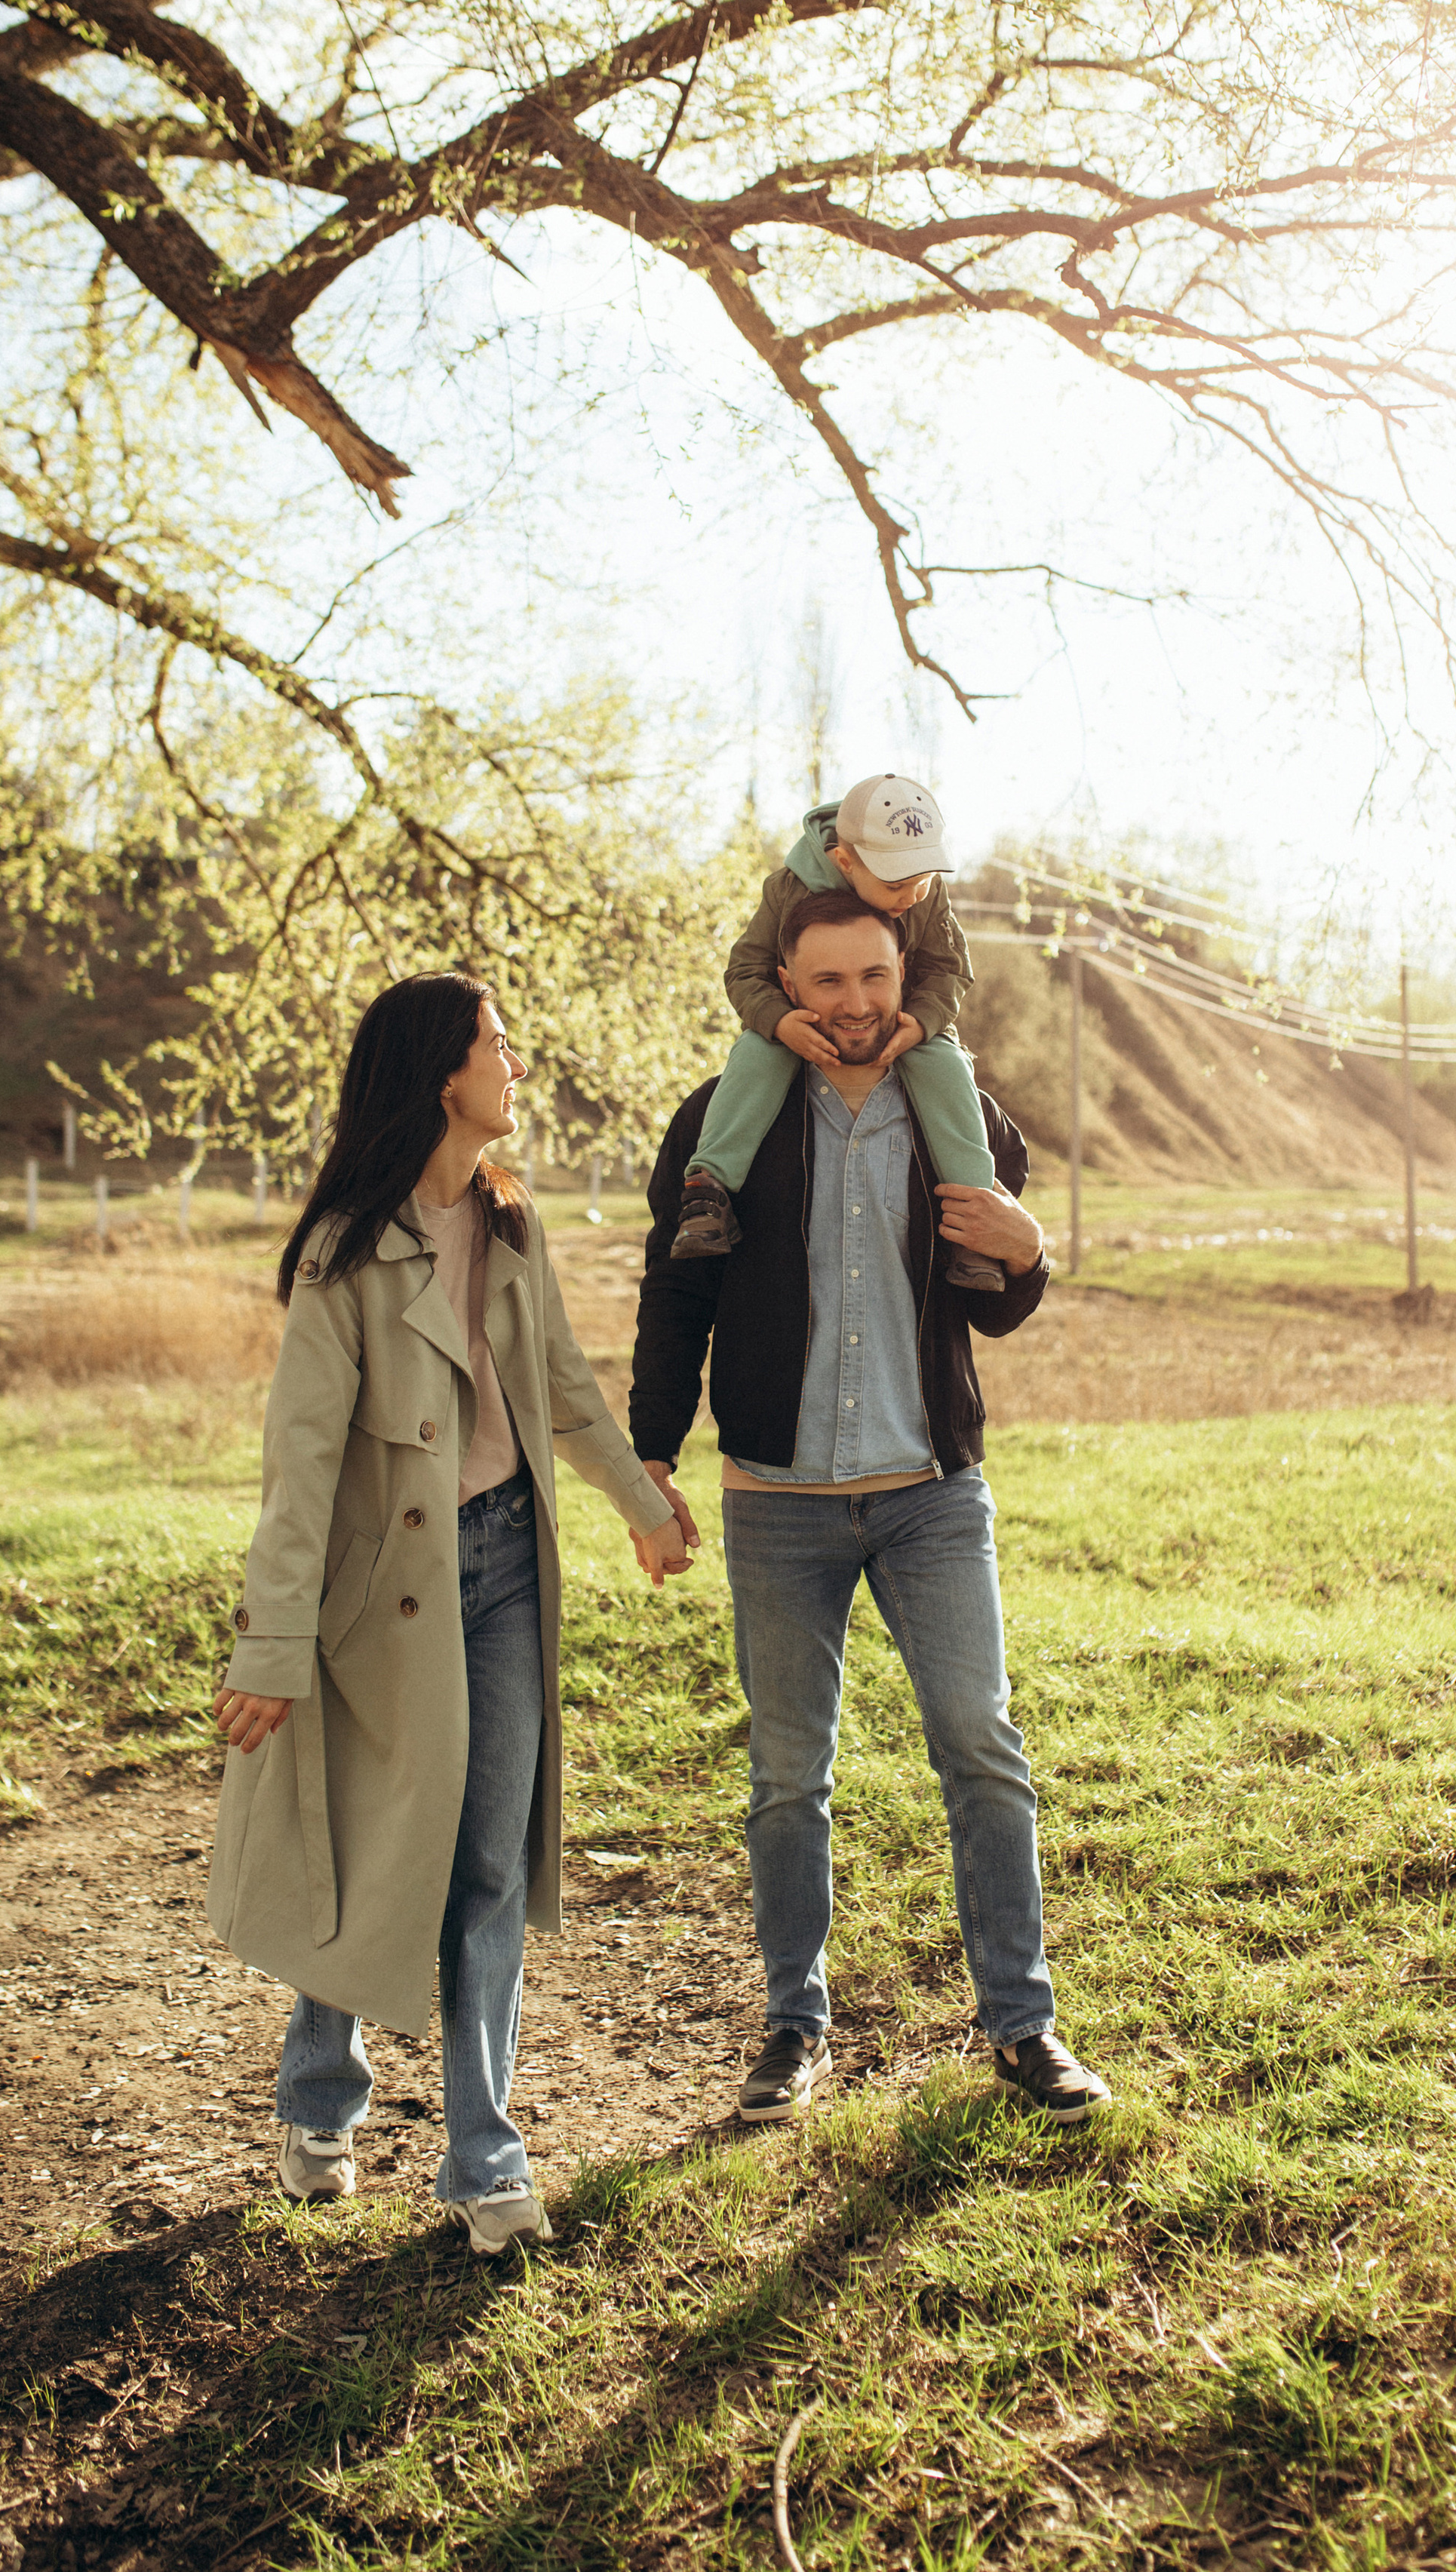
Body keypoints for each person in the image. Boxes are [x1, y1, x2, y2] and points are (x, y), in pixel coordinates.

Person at [207, 973, 690, 2252]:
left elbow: (566, 1387)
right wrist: (273, 1644)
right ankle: (320, 2092)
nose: (516, 1063)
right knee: (375, 1845)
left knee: (486, 1863)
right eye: (496, 1044)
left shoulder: (512, 1224)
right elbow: (301, 1467)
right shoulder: (345, 1257)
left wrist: (641, 1504)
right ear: (443, 1078)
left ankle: (483, 2161)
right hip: (380, 1600)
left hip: (507, 1576)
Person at [631, 890, 1111, 2128]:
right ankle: (794, 2028)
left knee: (982, 1749)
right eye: (828, 981)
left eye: (875, 977)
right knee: (791, 1778)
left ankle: (1023, 2025)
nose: (854, 1005)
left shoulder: (962, 1116)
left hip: (930, 1496)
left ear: (910, 974)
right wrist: (651, 1455)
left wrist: (1027, 1248)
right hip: (778, 1503)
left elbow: (993, 1307)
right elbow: (675, 1298)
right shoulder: (725, 1118)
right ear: (781, 986)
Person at [671, 773, 1005, 1291]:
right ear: (845, 862)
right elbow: (744, 971)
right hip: (800, 1020)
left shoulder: (924, 891)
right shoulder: (788, 889)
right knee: (756, 1059)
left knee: (947, 1067)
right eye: (897, 884)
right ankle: (708, 1190)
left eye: (923, 879)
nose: (913, 895)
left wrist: (923, 1020)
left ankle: (972, 1225)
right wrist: (779, 1021)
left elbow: (950, 968)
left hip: (903, 1020)